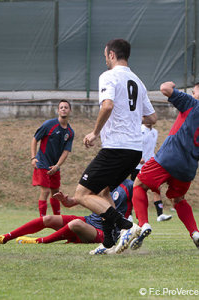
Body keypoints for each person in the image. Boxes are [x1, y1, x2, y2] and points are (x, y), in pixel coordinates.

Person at [54, 39, 157, 253]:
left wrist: (95, 133)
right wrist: (131, 117)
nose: (105, 59)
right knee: (102, 191)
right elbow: (152, 117)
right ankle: (109, 242)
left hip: (117, 147)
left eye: (105, 55)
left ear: (111, 55)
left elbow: (108, 105)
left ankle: (127, 226)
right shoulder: (138, 81)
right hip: (134, 149)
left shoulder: (108, 76)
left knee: (82, 194)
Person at [117, 81, 199, 253]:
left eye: (194, 91)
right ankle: (195, 233)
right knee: (178, 199)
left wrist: (170, 84)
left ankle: (144, 223)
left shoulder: (193, 104)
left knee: (139, 184)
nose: (192, 94)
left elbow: (165, 89)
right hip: (188, 166)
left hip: (169, 157)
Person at [0, 179, 133, 250]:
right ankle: (5, 238)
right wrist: (66, 200)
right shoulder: (101, 178)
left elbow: (136, 204)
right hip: (88, 221)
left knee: (75, 224)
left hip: (104, 231)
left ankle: (39, 241)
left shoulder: (128, 185)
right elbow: (75, 202)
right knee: (48, 219)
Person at [31, 100, 74, 217]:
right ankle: (42, 219)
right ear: (58, 111)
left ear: (70, 110)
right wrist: (33, 157)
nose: (63, 109)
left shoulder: (70, 132)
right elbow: (35, 139)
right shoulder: (49, 125)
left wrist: (57, 166)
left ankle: (57, 219)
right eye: (61, 107)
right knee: (45, 191)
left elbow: (66, 152)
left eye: (66, 107)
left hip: (55, 166)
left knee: (55, 193)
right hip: (43, 162)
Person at [130, 124, 172, 222]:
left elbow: (151, 148)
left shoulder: (154, 132)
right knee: (134, 189)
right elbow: (134, 144)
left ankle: (160, 215)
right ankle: (129, 214)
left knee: (156, 188)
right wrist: (138, 157)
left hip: (150, 166)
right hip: (138, 166)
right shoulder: (138, 129)